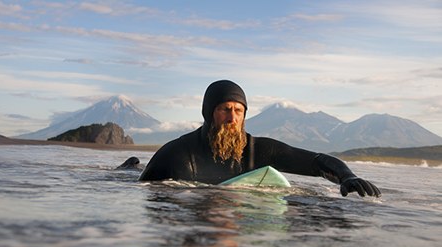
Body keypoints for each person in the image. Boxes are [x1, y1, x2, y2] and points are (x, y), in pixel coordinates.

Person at [139, 80, 381, 197]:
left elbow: (314, 161)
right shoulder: (177, 156)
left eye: (238, 110)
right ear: (209, 112)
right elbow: (145, 194)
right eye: (224, 109)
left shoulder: (257, 150)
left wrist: (346, 175)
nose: (232, 118)